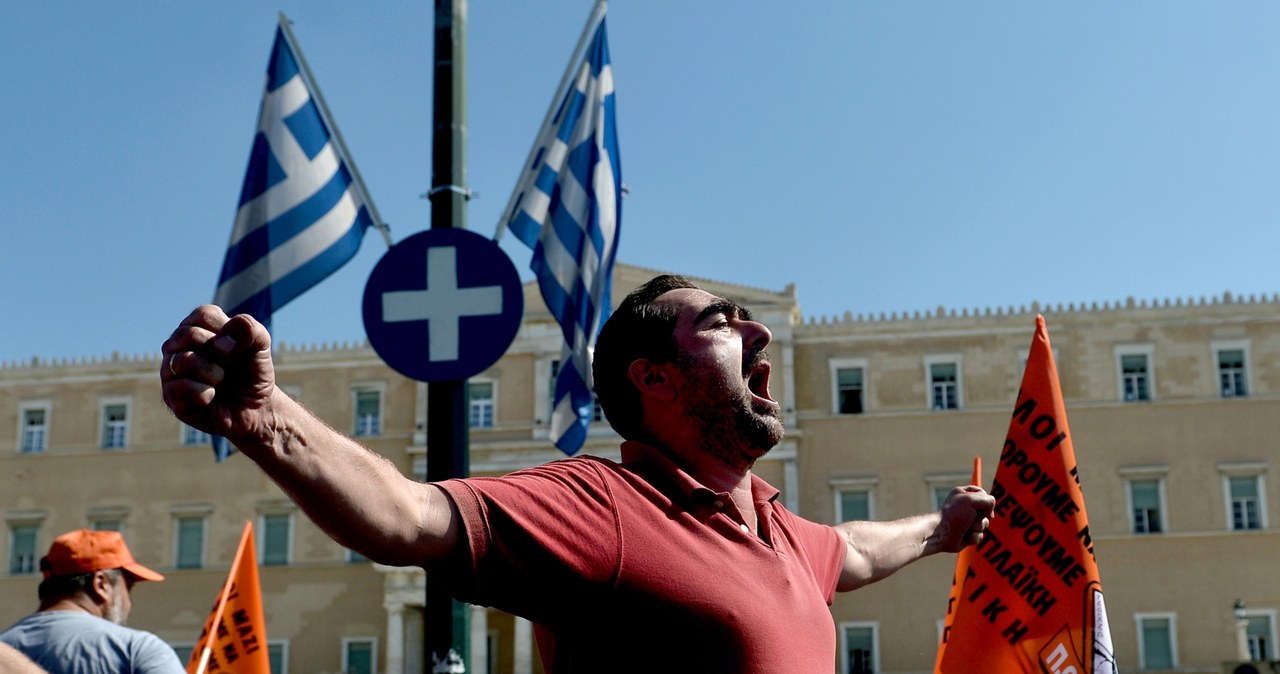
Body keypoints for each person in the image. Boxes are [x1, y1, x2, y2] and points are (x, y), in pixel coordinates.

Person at [161, 274, 994, 672]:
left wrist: (943, 527)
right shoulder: (605, 507)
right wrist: (264, 417)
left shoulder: (781, 531)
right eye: (723, 324)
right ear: (654, 378)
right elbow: (409, 518)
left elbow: (853, 549)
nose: (760, 335)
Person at [0, 529, 186, 674]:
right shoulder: (137, 649)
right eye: (128, 588)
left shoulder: (4, 646)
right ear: (101, 584)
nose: (130, 603)